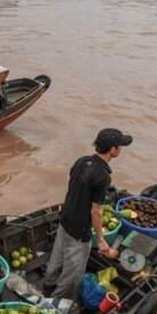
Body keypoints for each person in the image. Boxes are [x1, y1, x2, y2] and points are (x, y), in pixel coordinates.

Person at [43, 128, 132, 301]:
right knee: (73, 274)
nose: (121, 149)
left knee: (56, 259)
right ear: (112, 150)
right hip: (80, 231)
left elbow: (76, 186)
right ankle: (55, 304)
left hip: (65, 219)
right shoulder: (103, 176)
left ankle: (47, 285)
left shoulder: (82, 161)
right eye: (119, 146)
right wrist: (100, 239)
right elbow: (96, 211)